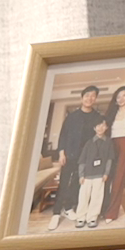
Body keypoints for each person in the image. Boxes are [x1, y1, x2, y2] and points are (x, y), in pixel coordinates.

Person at [47, 86, 102, 231]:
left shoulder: (97, 117)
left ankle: (68, 208)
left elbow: (98, 137)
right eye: (87, 95)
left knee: (78, 184)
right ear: (82, 97)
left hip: (86, 158)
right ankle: (56, 213)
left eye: (93, 96)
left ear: (95, 99)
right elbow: (63, 135)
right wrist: (61, 153)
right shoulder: (72, 116)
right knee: (64, 182)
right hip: (70, 155)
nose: (90, 98)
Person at [100, 84, 125, 224]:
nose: (121, 99)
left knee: (118, 180)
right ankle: (102, 209)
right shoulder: (111, 113)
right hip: (110, 145)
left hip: (124, 146)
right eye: (118, 96)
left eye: (124, 95)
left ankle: (111, 213)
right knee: (106, 177)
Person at [76, 117, 115, 229]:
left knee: (97, 197)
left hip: (100, 175)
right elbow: (82, 160)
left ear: (106, 127)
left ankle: (92, 218)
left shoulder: (109, 142)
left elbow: (109, 160)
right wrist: (81, 175)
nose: (100, 128)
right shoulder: (89, 143)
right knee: (83, 196)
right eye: (98, 125)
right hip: (87, 175)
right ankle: (80, 218)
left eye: (103, 125)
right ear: (94, 128)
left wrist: (106, 173)